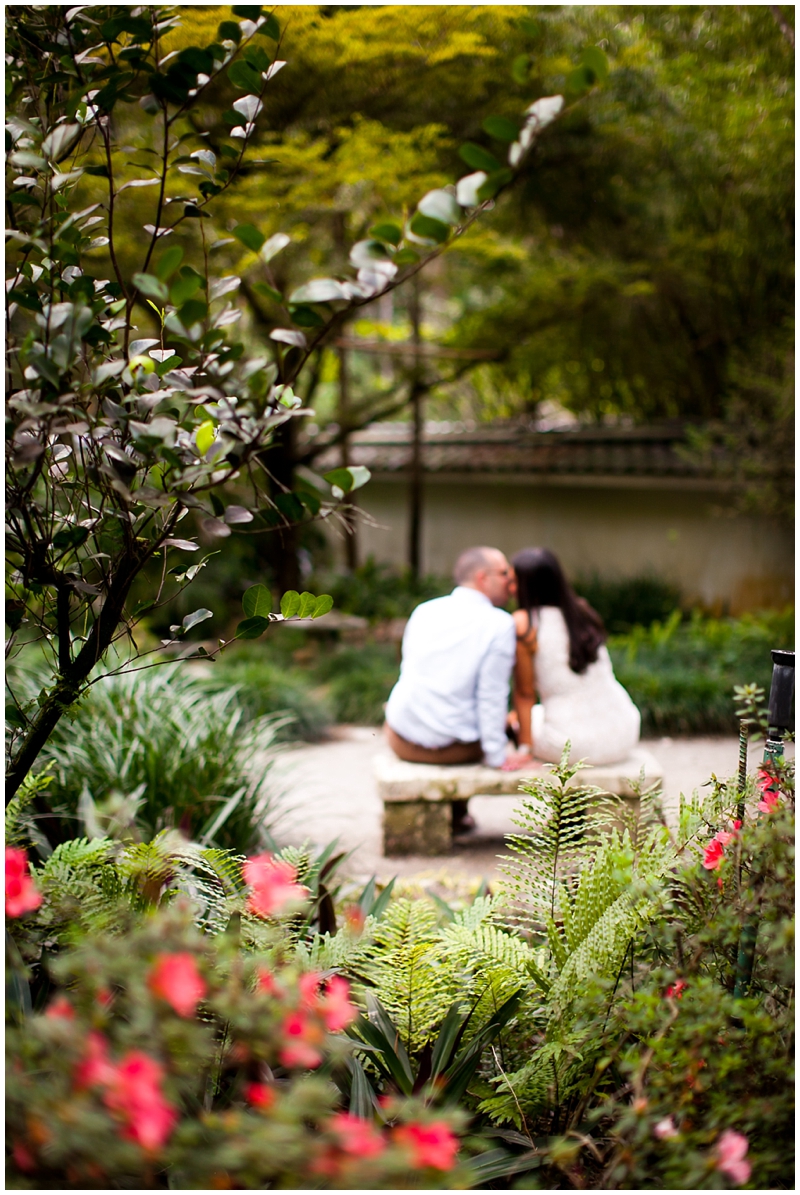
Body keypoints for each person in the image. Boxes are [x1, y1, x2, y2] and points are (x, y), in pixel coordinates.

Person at [385, 546, 525, 831]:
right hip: (455, 749)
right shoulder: (499, 624)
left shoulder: (424, 611)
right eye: (504, 573)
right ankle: (458, 812)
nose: (510, 581)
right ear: (483, 578)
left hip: (402, 739)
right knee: (499, 726)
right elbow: (491, 697)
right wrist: (499, 758)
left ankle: (456, 814)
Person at [505, 547, 640, 768]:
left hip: (571, 745)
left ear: (527, 586)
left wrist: (524, 749)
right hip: (624, 730)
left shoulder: (524, 624)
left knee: (513, 721)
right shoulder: (582, 612)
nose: (510, 588)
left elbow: (525, 694)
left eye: (514, 581)